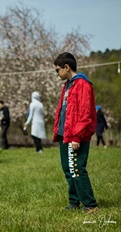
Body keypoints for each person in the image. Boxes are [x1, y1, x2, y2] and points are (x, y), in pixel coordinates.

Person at [53, 52, 98, 213]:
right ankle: (74, 201)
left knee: (77, 168)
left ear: (67, 67)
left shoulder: (83, 84)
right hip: (65, 134)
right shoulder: (68, 85)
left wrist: (76, 136)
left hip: (76, 136)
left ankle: (90, 204)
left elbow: (85, 114)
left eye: (57, 70)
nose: (57, 73)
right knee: (68, 169)